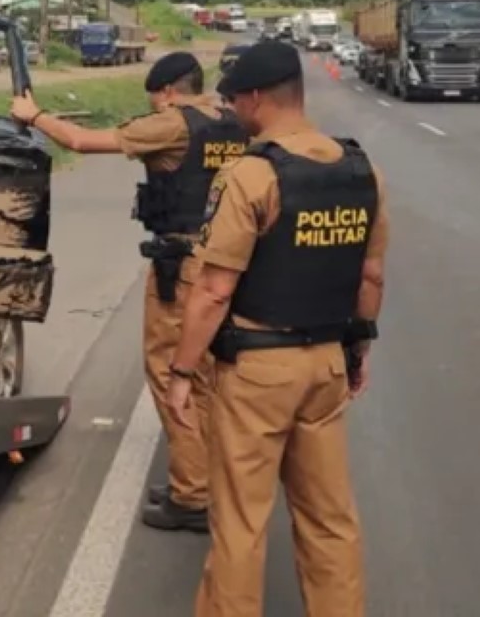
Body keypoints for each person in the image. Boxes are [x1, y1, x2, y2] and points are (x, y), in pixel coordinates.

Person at [163, 40, 386, 616]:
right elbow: (370, 277)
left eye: (235, 98)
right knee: (330, 519)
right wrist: (357, 349)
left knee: (240, 522)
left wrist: (182, 372)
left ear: (257, 97)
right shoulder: (362, 171)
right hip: (327, 367)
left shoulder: (252, 175)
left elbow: (213, 290)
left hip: (258, 370)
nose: (232, 109)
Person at [9, 51, 249, 533]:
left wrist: (33, 116)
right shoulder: (231, 119)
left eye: (156, 100)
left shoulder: (173, 124)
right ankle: (198, 479)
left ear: (166, 93)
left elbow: (80, 140)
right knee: (206, 377)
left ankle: (192, 498)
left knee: (170, 371)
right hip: (228, 260)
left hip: (182, 266)